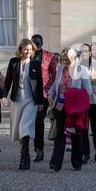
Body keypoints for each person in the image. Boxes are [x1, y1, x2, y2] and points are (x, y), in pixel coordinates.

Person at [2, 39, 44, 170]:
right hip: (17, 99)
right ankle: (24, 155)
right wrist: (4, 96)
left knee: (24, 127)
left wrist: (41, 101)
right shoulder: (13, 62)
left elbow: (40, 83)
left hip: (31, 100)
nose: (28, 52)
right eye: (26, 49)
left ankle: (24, 157)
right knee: (19, 128)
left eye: (31, 50)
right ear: (20, 49)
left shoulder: (36, 63)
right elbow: (8, 80)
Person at [48, 48, 92, 172]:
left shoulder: (82, 70)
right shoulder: (60, 68)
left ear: (74, 58)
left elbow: (88, 90)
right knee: (59, 134)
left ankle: (76, 163)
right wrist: (50, 94)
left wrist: (70, 94)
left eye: (67, 59)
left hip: (74, 108)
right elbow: (55, 84)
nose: (65, 61)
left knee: (76, 135)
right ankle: (56, 163)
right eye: (63, 59)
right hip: (60, 106)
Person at [31, 34, 57, 162]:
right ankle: (34, 147)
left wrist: (52, 92)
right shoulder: (28, 55)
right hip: (30, 93)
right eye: (33, 43)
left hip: (44, 94)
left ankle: (39, 149)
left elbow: (55, 75)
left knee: (38, 120)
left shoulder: (49, 56)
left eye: (38, 44)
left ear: (42, 43)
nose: (36, 46)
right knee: (32, 122)